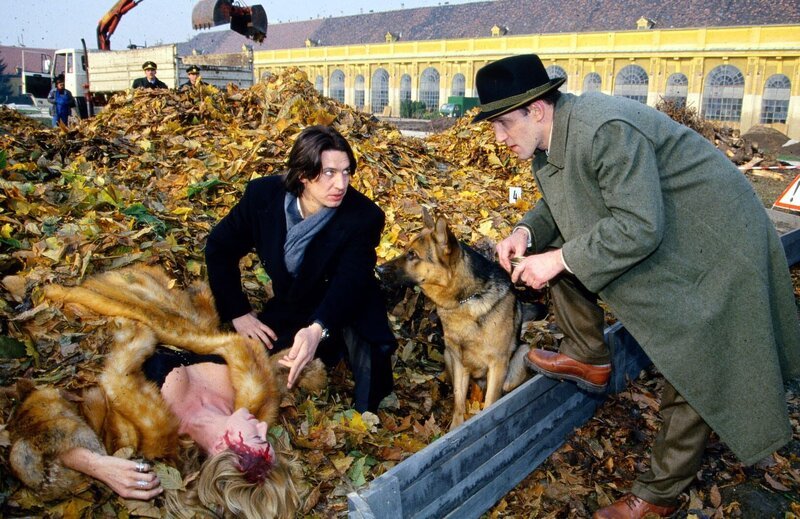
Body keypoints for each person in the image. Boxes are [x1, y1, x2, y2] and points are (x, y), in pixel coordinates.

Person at [474, 54, 800, 518]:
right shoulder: (549, 142)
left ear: (538, 109)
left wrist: (558, 259)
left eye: (504, 124)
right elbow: (562, 206)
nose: (499, 138)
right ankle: (587, 353)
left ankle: (657, 497)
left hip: (716, 242)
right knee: (554, 256)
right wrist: (525, 234)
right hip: (666, 227)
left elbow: (640, 226)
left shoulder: (604, 131)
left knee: (693, 359)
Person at [8, 265, 324, 519]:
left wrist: (97, 466)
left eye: (256, 436)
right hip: (146, 289)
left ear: (224, 453)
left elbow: (34, 439)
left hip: (84, 316)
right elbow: (284, 364)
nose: (263, 425)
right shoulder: (257, 395)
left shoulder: (142, 435)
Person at [205, 125, 397, 413]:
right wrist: (238, 312)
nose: (341, 184)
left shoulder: (363, 216)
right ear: (304, 174)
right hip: (294, 300)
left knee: (371, 377)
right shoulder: (263, 197)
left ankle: (349, 366)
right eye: (329, 173)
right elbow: (220, 247)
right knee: (255, 361)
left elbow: (350, 279)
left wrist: (317, 329)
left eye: (346, 172)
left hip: (345, 298)